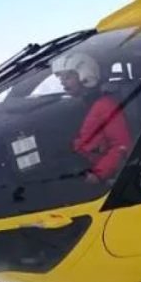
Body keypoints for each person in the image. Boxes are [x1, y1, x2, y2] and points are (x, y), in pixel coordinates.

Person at [52, 52, 131, 184]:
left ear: (86, 75)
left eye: (68, 77)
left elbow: (121, 146)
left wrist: (97, 174)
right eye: (61, 78)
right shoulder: (76, 106)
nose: (62, 82)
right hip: (75, 169)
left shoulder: (105, 106)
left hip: (92, 176)